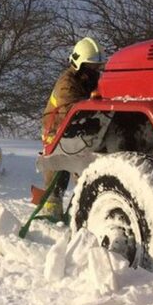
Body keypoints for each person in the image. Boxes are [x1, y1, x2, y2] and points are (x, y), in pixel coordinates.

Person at [41, 38, 104, 219]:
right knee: (57, 176)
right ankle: (50, 215)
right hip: (55, 132)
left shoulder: (89, 81)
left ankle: (82, 211)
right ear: (79, 64)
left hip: (76, 133)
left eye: (97, 67)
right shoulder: (67, 84)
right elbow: (72, 111)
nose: (95, 72)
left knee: (83, 173)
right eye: (91, 67)